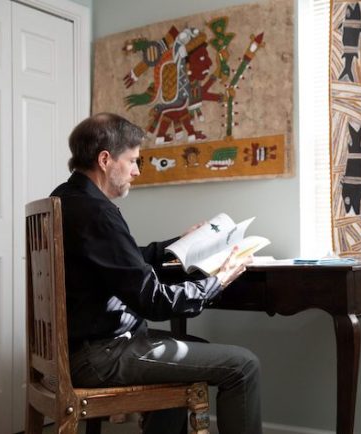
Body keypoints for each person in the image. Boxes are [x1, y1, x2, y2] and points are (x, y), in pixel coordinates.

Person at [50, 112, 262, 434]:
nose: (136, 171)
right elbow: (154, 302)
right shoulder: (98, 213)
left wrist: (183, 243)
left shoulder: (65, 198)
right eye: (133, 161)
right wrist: (217, 280)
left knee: (198, 347)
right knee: (243, 365)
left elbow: (125, 259)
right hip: (102, 355)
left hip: (79, 350)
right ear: (106, 159)